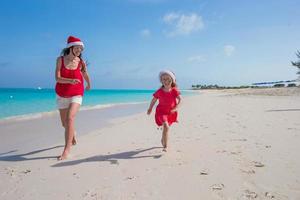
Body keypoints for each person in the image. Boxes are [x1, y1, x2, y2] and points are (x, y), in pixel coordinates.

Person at [55, 36, 91, 160]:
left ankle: (66, 150)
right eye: (77, 48)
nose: (79, 51)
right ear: (70, 47)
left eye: (81, 49)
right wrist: (70, 80)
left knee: (70, 118)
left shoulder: (81, 62)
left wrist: (89, 84)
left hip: (77, 93)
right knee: (64, 123)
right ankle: (72, 134)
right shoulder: (60, 60)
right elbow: (57, 78)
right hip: (61, 94)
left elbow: (85, 73)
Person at [147, 70, 181, 152]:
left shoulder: (174, 91)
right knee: (166, 126)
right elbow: (154, 100)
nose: (166, 81)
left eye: (168, 79)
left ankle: (163, 139)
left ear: (172, 80)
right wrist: (150, 108)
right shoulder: (159, 91)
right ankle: (165, 146)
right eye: (164, 79)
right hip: (161, 112)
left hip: (170, 112)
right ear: (161, 81)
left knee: (166, 128)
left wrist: (176, 107)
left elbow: (181, 100)